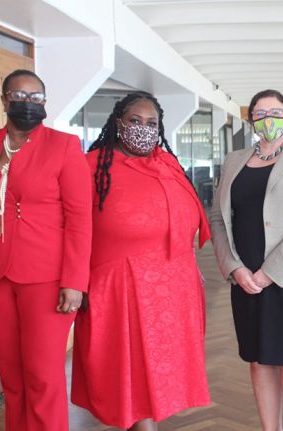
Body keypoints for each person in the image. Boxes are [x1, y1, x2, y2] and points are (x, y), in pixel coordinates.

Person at [0, 69, 92, 430]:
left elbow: (80, 219)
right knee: (12, 380)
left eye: (36, 98)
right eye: (20, 96)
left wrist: (75, 281)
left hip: (47, 279)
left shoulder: (63, 146)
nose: (28, 104)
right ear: (4, 100)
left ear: (44, 103)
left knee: (42, 378)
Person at [71, 92, 211, 431]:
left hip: (171, 284)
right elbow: (71, 228)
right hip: (119, 285)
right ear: (119, 122)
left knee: (160, 372)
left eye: (152, 123)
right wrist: (75, 281)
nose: (143, 129)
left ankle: (149, 425)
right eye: (135, 121)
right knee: (128, 370)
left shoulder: (168, 162)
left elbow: (188, 215)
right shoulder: (91, 167)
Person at [210, 89, 283, 431]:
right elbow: (218, 219)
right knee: (259, 360)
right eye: (260, 113)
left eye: (275, 112)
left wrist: (269, 273)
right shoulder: (234, 160)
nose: (268, 119)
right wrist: (234, 267)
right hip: (244, 275)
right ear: (251, 121)